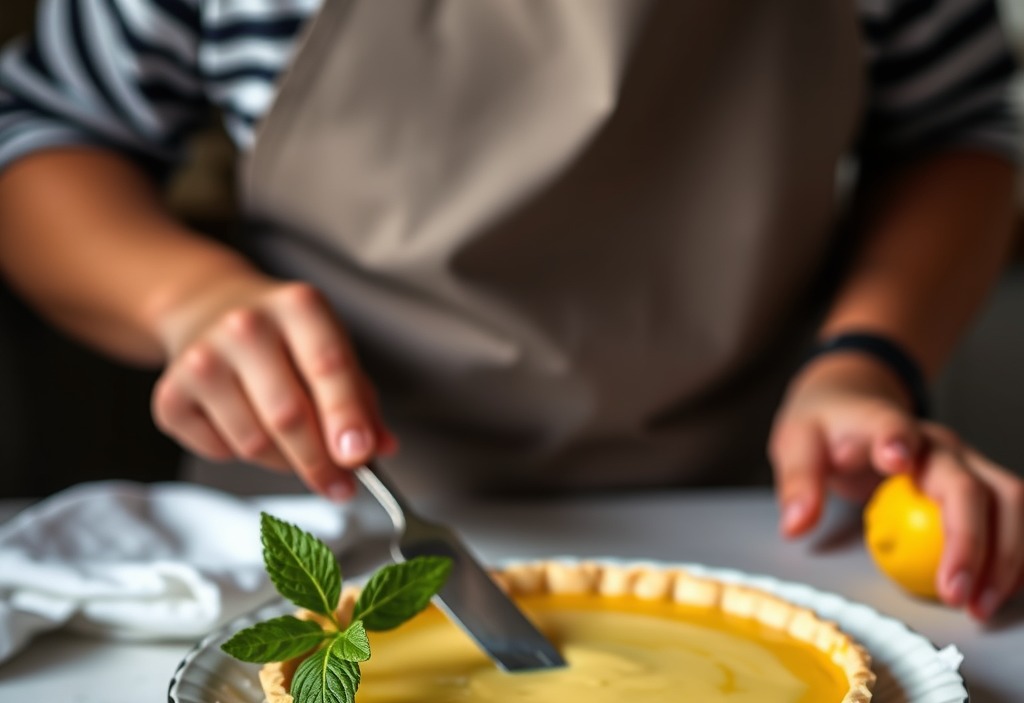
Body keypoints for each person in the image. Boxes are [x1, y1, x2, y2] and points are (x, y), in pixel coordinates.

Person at [0, 0, 1020, 619]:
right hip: (319, 527)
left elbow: (957, 128)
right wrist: (187, 298)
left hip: (755, 515)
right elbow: (47, 129)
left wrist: (866, 357)